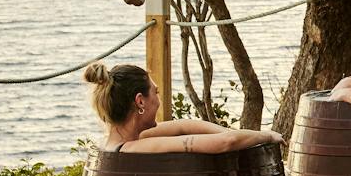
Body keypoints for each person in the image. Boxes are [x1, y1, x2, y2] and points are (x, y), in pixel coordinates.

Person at [82, 61, 275, 154]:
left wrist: (228, 132)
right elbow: (227, 142)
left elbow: (184, 126)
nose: (158, 100)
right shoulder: (135, 148)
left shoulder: (112, 142)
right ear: (140, 101)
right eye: (156, 92)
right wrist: (267, 136)